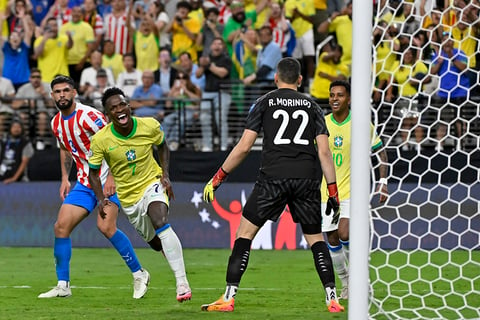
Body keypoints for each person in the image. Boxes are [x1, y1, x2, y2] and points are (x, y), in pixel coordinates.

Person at [200, 57, 344, 313]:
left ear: (276, 78)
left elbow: (244, 147)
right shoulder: (313, 106)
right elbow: (324, 151)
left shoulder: (264, 102)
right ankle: (332, 298)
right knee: (315, 239)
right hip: (307, 178)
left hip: (273, 177)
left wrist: (218, 177)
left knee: (244, 235)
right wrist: (332, 191)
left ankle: (229, 297)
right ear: (300, 80)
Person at [38, 75, 149, 299]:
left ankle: (139, 273)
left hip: (110, 178)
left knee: (105, 226)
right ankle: (63, 285)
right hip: (84, 182)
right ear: (52, 95)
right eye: (57, 91)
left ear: (74, 92)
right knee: (61, 226)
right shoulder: (55, 123)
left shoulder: (89, 116)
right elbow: (65, 148)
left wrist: (113, 178)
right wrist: (64, 178)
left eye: (66, 90)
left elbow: (114, 139)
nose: (62, 95)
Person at [88, 87, 192, 302]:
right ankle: (160, 270)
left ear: (129, 106)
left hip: (151, 183)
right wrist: (100, 199)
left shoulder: (149, 125)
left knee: (160, 219)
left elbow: (162, 147)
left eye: (122, 104)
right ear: (108, 115)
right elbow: (93, 173)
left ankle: (182, 283)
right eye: (113, 108)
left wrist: (165, 175)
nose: (119, 110)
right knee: (156, 244)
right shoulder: (101, 140)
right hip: (128, 198)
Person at [321, 80, 389, 301]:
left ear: (348, 99)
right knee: (331, 238)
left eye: (339, 95)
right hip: (327, 192)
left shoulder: (360, 124)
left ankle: (361, 282)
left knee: (345, 232)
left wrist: (383, 181)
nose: (335, 99)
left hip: (352, 190)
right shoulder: (322, 124)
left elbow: (381, 152)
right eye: (332, 95)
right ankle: (347, 284)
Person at [196, 37, 232, 152]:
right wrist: (202, 65)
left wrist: (209, 65)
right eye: (215, 43)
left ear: (222, 47)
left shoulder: (226, 59)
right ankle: (207, 145)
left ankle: (223, 145)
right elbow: (197, 75)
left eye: (220, 44)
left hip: (223, 93)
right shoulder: (206, 59)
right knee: (204, 118)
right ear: (211, 46)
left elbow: (222, 73)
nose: (217, 46)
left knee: (221, 119)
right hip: (207, 92)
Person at [162, 70, 201, 151]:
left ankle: (173, 142)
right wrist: (172, 90)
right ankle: (163, 142)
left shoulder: (194, 87)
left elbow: (198, 102)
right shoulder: (175, 90)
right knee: (167, 120)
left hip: (190, 112)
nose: (181, 79)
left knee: (181, 120)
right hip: (177, 112)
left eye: (184, 77)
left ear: (188, 79)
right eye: (178, 78)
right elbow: (168, 105)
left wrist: (186, 90)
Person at [0, 119, 34, 184]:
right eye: (14, 127)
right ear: (10, 129)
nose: (16, 129)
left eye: (18, 127)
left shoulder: (26, 143)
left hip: (20, 179)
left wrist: (14, 178)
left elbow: (24, 162)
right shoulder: (3, 142)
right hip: (2, 176)